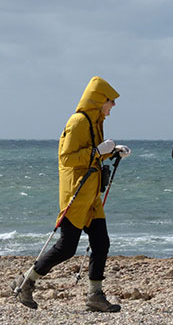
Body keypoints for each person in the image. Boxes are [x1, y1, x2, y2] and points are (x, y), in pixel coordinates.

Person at [14, 76, 130, 312]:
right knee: (66, 248)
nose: (113, 106)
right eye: (110, 100)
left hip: (92, 197)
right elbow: (67, 158)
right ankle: (26, 282)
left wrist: (112, 152)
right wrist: (98, 151)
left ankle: (95, 295)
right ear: (99, 100)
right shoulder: (77, 122)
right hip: (75, 196)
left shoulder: (95, 122)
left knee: (101, 243)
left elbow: (91, 155)